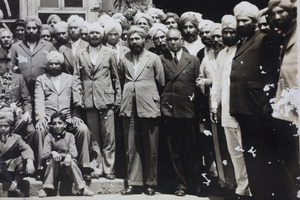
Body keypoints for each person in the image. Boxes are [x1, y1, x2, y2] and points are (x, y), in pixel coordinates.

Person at [229, 2, 281, 199]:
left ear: (254, 21)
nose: (242, 24)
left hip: (257, 107)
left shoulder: (264, 39)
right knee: (250, 155)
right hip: (243, 107)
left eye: (246, 21)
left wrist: (267, 102)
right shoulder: (243, 41)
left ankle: (264, 194)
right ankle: (256, 192)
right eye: (239, 21)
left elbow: (271, 75)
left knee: (260, 155)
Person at [35, 51, 95, 181]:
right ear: (47, 65)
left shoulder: (70, 78)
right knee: (40, 130)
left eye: (57, 64)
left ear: (61, 65)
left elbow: (77, 98)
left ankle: (84, 166)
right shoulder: (41, 79)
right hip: (50, 118)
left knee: (83, 129)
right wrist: (41, 117)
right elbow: (38, 100)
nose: (54, 66)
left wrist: (77, 115)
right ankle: (41, 167)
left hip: (67, 118)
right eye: (51, 64)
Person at [118, 26, 165, 195]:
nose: (134, 42)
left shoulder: (153, 58)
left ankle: (150, 183)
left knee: (151, 146)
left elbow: (161, 81)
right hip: (129, 106)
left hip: (149, 106)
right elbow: (121, 79)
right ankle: (134, 182)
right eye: (131, 39)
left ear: (144, 40)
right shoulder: (124, 58)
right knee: (131, 146)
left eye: (137, 39)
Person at [73, 22, 121, 180]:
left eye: (97, 33)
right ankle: (97, 167)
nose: (94, 35)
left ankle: (109, 168)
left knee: (109, 136)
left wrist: (117, 98)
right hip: (89, 100)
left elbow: (116, 78)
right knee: (94, 136)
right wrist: (78, 98)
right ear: (87, 35)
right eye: (91, 33)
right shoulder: (80, 54)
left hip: (106, 99)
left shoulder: (110, 53)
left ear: (102, 36)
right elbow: (77, 78)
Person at [210, 15, 250, 199]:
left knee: (247, 150)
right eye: (224, 32)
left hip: (242, 110)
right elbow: (217, 83)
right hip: (225, 111)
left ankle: (252, 189)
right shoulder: (221, 54)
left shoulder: (243, 50)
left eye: (231, 31)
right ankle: (241, 189)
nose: (227, 35)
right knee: (235, 153)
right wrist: (214, 106)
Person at [159, 28, 202, 196]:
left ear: (182, 40)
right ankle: (180, 185)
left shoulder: (193, 60)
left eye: (176, 39)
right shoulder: (161, 59)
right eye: (170, 39)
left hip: (187, 111)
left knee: (191, 149)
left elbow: (197, 89)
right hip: (170, 111)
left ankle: (195, 183)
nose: (173, 42)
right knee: (174, 151)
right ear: (166, 41)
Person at [268, 0, 299, 198]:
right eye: (274, 14)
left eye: (281, 12)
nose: (277, 17)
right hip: (287, 108)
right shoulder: (283, 36)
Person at [38, 112, 94, 197]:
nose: (57, 126)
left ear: (65, 125)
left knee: (71, 161)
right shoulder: (49, 137)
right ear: (51, 125)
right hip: (54, 170)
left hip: (67, 168)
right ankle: (46, 188)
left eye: (60, 123)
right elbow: (44, 155)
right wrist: (52, 153)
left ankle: (82, 188)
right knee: (53, 161)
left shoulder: (70, 136)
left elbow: (74, 152)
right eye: (54, 123)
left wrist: (69, 155)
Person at [10, 15, 55, 98]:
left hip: (43, 89)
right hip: (22, 90)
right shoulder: (16, 47)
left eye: (34, 28)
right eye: (28, 28)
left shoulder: (48, 46)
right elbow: (11, 69)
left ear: (38, 29)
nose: (31, 31)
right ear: (25, 29)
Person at [0, 49, 35, 150]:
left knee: (31, 130)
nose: (0, 65)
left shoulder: (18, 78)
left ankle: (24, 156)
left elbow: (26, 100)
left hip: (17, 116)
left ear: (7, 63)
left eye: (2, 62)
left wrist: (27, 113)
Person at [0, 110, 35, 197]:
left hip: (11, 167)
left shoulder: (16, 137)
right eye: (1, 126)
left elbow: (26, 148)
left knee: (22, 159)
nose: (3, 128)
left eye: (6, 126)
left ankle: (15, 183)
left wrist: (30, 161)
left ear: (11, 127)